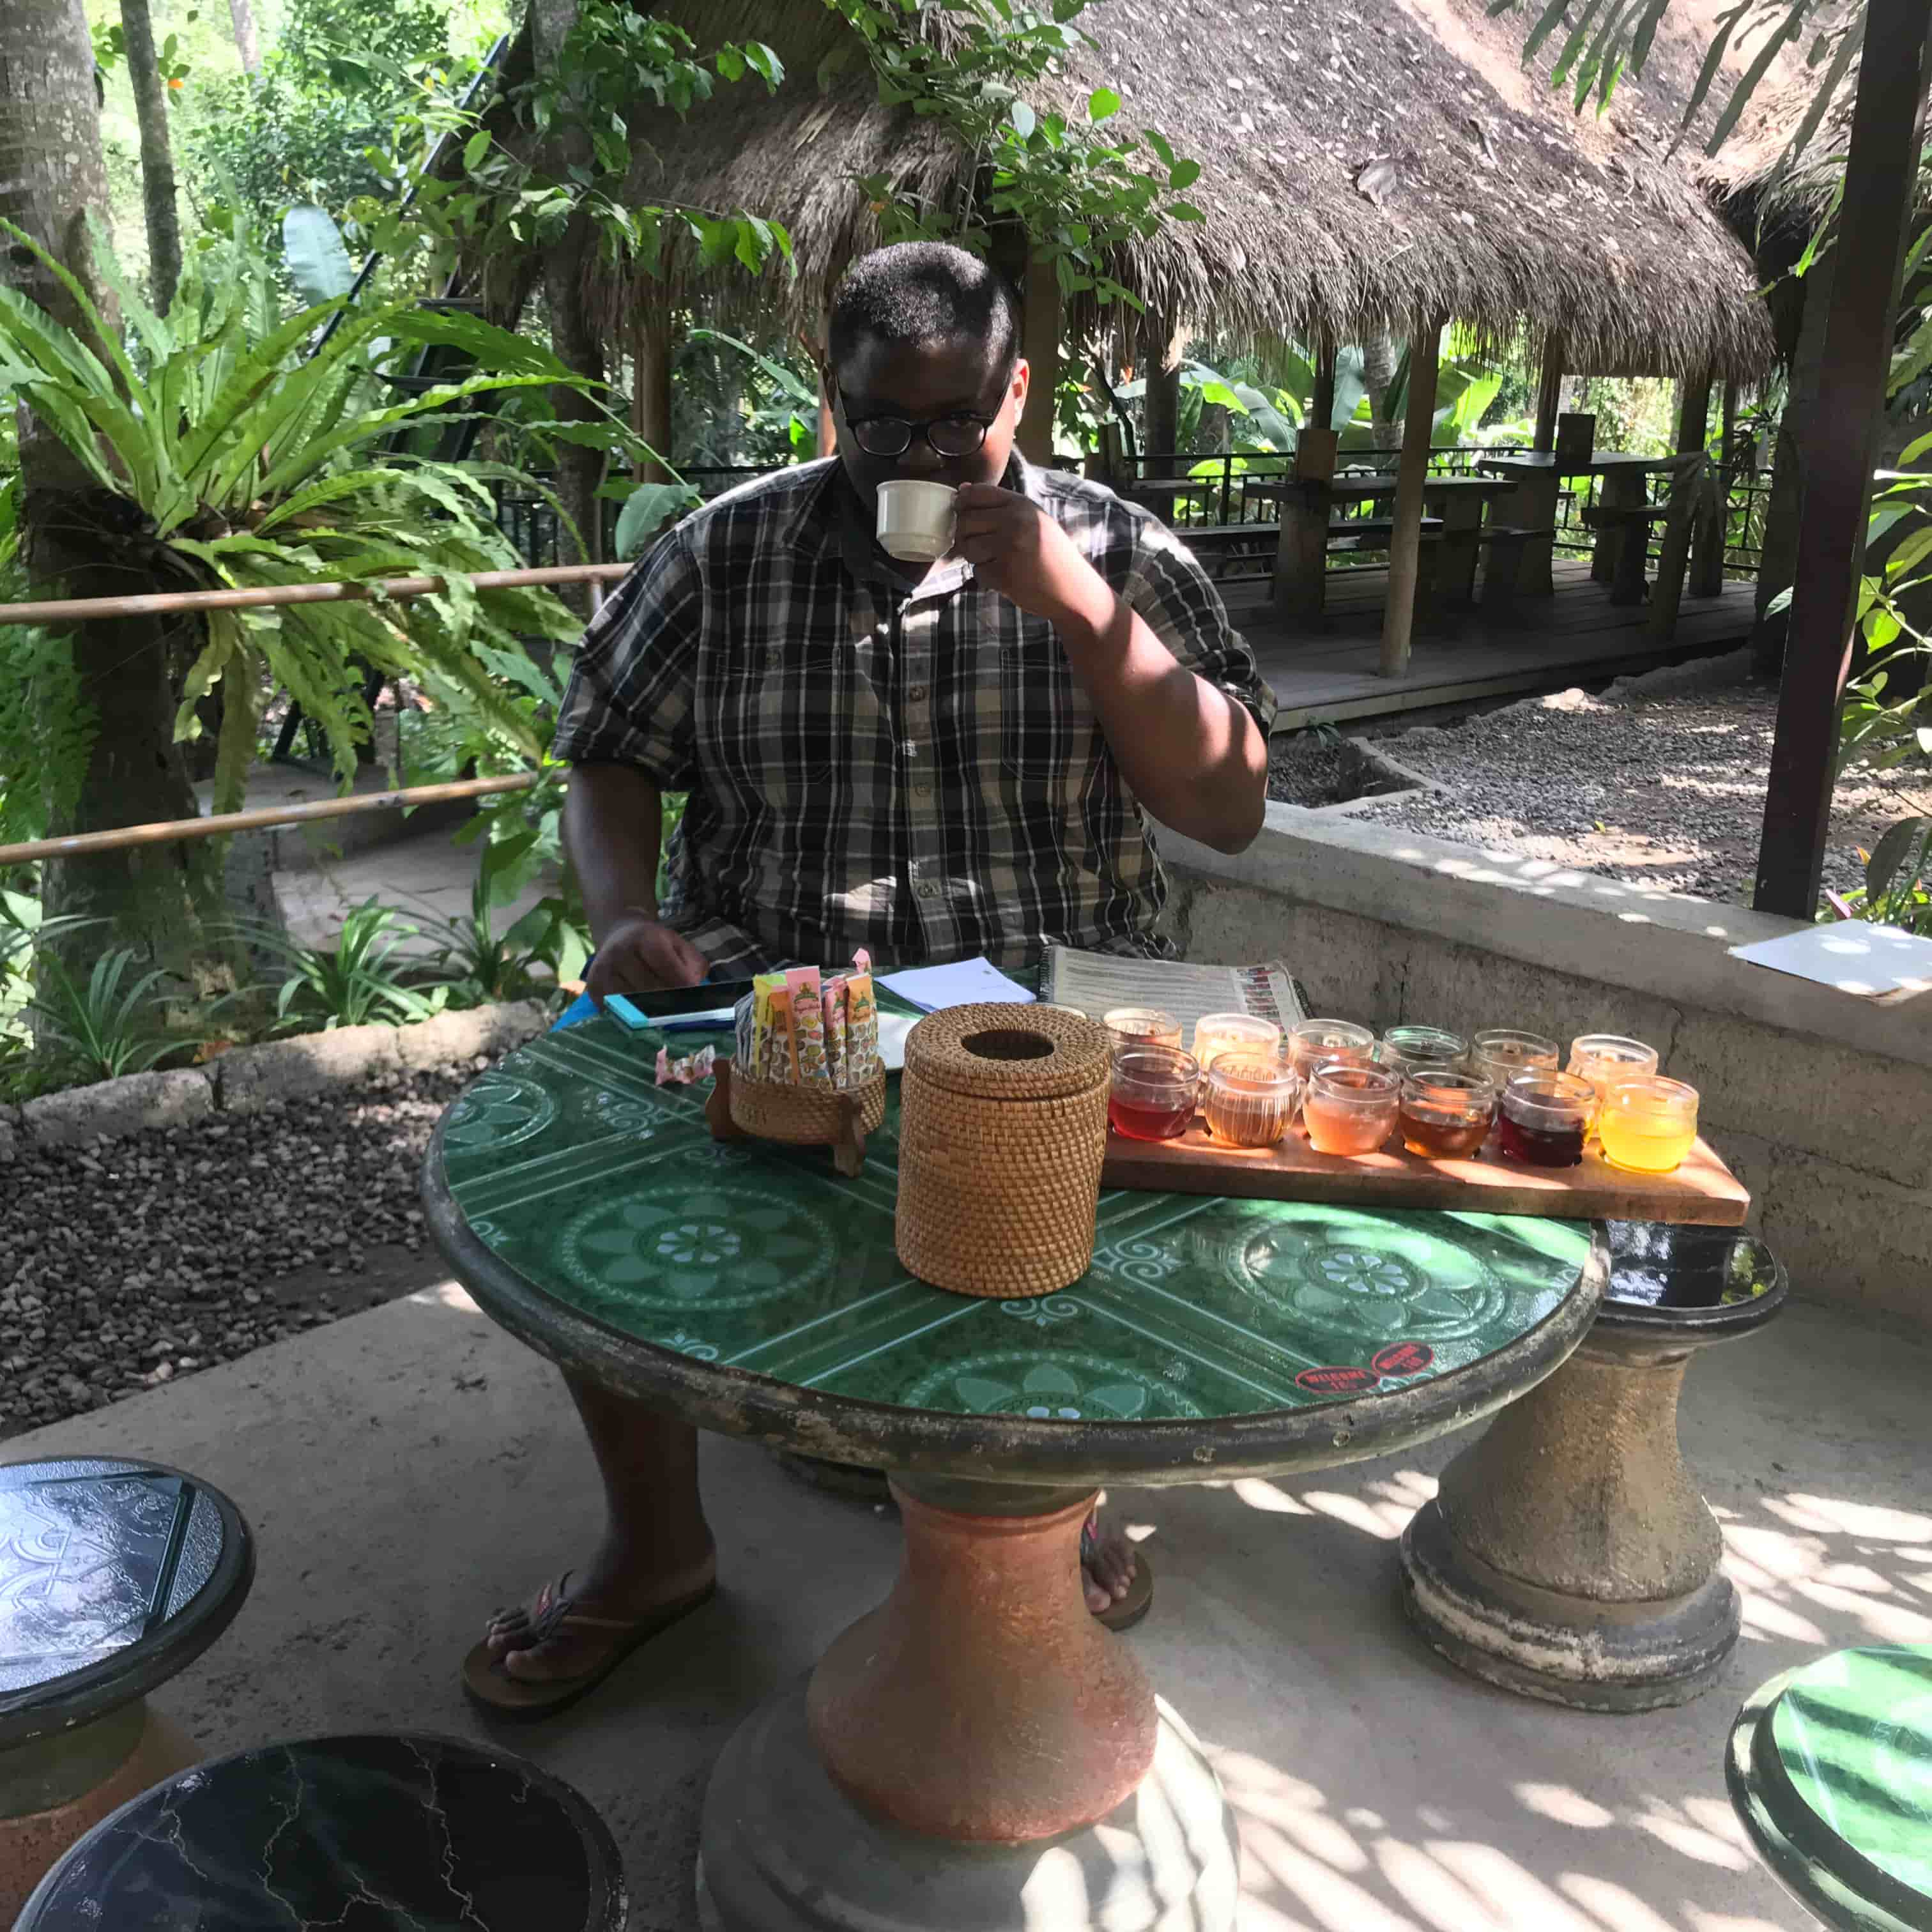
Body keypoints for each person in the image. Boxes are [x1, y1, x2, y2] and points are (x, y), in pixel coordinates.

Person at [464, 241, 1275, 1717]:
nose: (913, 454)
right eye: (877, 421)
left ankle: (1049, 1499)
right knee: (581, 1118)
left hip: (1052, 998)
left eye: (954, 422)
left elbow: (1227, 806)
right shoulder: (724, 552)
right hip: (780, 977)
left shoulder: (1121, 552)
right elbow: (608, 748)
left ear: (1016, 393)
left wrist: (1083, 609)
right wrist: (624, 912)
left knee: (1103, 1149)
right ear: (828, 400)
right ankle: (655, 1550)